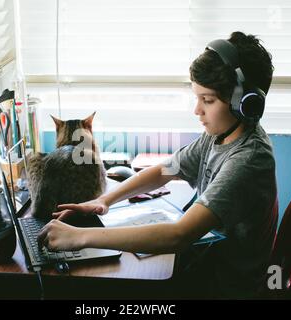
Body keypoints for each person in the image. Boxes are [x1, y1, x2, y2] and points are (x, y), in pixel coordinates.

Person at [37, 31, 277, 299]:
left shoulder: (248, 160)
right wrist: (105, 200)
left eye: (207, 100)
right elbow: (166, 170)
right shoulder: (221, 134)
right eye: (196, 97)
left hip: (225, 286)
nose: (197, 110)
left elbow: (178, 236)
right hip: (209, 263)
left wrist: (79, 237)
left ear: (243, 104)